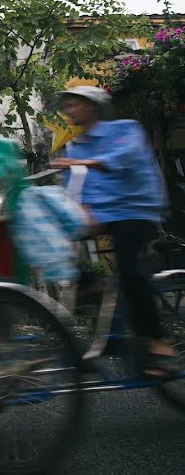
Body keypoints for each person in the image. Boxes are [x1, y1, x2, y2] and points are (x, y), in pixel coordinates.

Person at [49, 86, 174, 377]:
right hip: (101, 215)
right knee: (48, 239)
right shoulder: (76, 145)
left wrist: (84, 163)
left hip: (135, 210)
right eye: (66, 105)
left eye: (74, 104)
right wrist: (76, 210)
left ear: (94, 106)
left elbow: (123, 158)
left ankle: (160, 343)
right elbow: (74, 189)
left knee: (129, 270)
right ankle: (93, 287)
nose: (68, 110)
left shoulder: (125, 130)